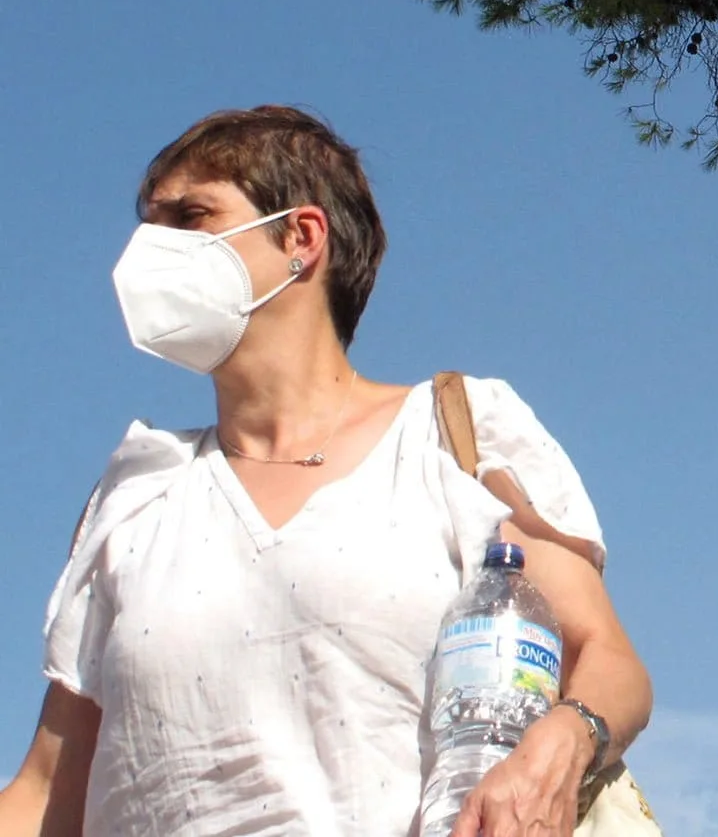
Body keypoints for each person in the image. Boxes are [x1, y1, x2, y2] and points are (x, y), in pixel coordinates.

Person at [0, 106, 652, 837]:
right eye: (149, 225)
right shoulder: (138, 492)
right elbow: (48, 789)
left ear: (300, 238)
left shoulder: (454, 436)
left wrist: (560, 744)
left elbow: (610, 659)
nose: (150, 252)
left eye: (190, 216)